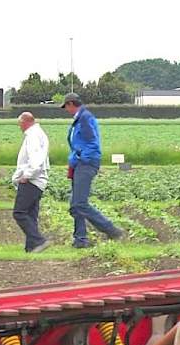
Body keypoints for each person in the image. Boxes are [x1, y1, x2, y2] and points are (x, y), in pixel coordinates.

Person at [61, 92, 123, 248]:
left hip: (86, 163)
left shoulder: (85, 118)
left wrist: (82, 157)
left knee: (79, 204)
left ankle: (111, 230)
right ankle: (80, 240)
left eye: (66, 107)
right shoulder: (79, 119)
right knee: (75, 204)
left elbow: (92, 142)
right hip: (79, 164)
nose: (66, 110)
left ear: (71, 104)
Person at [12, 111, 51, 253]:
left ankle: (39, 240)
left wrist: (27, 175)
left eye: (20, 124)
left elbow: (35, 158)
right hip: (39, 180)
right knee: (30, 214)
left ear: (25, 122)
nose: (19, 128)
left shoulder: (33, 136)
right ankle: (32, 246)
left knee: (19, 212)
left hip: (32, 180)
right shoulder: (39, 134)